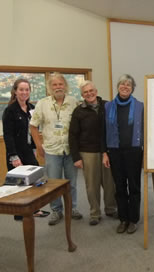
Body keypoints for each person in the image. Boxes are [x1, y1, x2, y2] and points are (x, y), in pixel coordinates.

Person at [30, 72, 83, 226]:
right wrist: (39, 145)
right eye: (54, 84)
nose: (58, 87)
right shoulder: (42, 104)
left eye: (60, 84)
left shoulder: (74, 103)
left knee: (71, 182)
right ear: (49, 87)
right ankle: (56, 210)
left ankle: (72, 208)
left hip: (70, 150)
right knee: (53, 183)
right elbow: (33, 126)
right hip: (52, 150)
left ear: (65, 86)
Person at [69, 80, 117, 226]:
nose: (89, 94)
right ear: (82, 95)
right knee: (92, 184)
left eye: (91, 91)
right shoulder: (79, 111)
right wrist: (76, 157)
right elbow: (72, 135)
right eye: (85, 92)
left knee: (110, 183)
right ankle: (95, 213)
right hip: (87, 152)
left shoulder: (108, 106)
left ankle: (110, 208)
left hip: (107, 151)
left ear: (96, 91)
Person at [2, 78, 50, 220]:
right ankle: (19, 213)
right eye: (21, 89)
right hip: (16, 152)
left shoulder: (31, 108)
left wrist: (35, 149)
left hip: (28, 150)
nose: (24, 92)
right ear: (15, 92)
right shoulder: (10, 110)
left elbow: (34, 130)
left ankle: (33, 209)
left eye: (27, 89)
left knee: (33, 179)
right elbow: (8, 135)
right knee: (18, 183)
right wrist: (13, 156)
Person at [103, 74, 143, 234]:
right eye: (122, 84)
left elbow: (145, 129)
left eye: (128, 85)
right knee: (119, 187)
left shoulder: (140, 106)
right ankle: (123, 219)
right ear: (118, 86)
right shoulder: (108, 107)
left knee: (134, 186)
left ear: (133, 88)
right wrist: (105, 153)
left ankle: (133, 219)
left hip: (133, 151)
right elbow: (103, 131)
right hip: (114, 151)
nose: (125, 87)